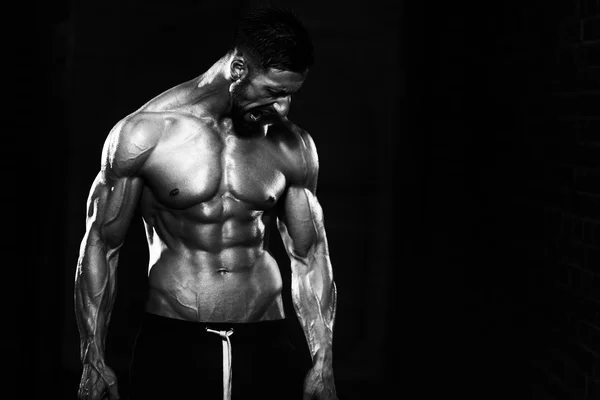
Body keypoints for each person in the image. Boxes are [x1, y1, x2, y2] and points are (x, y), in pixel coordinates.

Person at [74, 6, 337, 400]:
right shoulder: (145, 134)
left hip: (266, 342)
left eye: (290, 96)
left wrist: (323, 360)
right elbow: (101, 245)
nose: (283, 109)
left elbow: (310, 253)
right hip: (176, 343)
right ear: (238, 70)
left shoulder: (292, 143)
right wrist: (92, 357)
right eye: (273, 92)